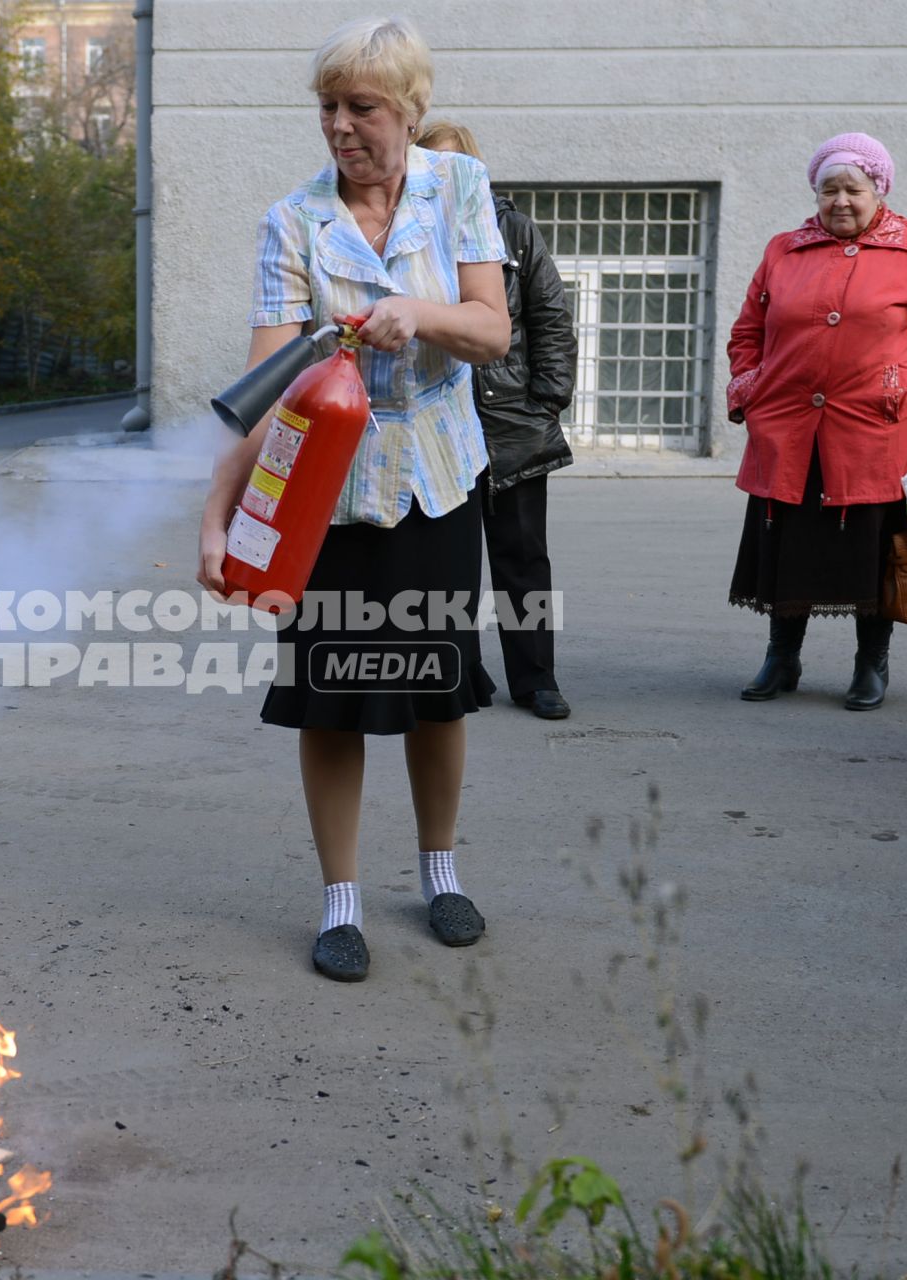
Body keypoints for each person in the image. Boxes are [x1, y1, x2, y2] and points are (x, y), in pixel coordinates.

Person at [195, 17, 510, 983]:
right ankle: (341, 901)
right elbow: (264, 390)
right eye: (328, 106)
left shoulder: (458, 188)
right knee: (329, 700)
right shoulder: (293, 223)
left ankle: (441, 872)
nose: (340, 125)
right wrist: (216, 518)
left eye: (361, 107)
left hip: (441, 484)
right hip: (324, 500)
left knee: (437, 692)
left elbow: (492, 331)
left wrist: (417, 315)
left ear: (409, 112)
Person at [726, 132, 907, 710]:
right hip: (787, 428)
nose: (840, 201)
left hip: (877, 432)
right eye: (828, 189)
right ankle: (781, 657)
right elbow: (747, 333)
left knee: (871, 551)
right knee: (785, 541)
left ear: (878, 190)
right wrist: (753, 390)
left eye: (853, 189)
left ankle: (871, 664)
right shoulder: (783, 249)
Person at [416, 121, 576, 720]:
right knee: (445, 564)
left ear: (474, 171)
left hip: (513, 424)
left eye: (454, 164)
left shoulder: (511, 230)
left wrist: (546, 400)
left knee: (522, 558)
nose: (442, 175)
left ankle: (536, 679)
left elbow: (551, 318)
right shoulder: (407, 236)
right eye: (430, 163)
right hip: (436, 428)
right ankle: (455, 672)